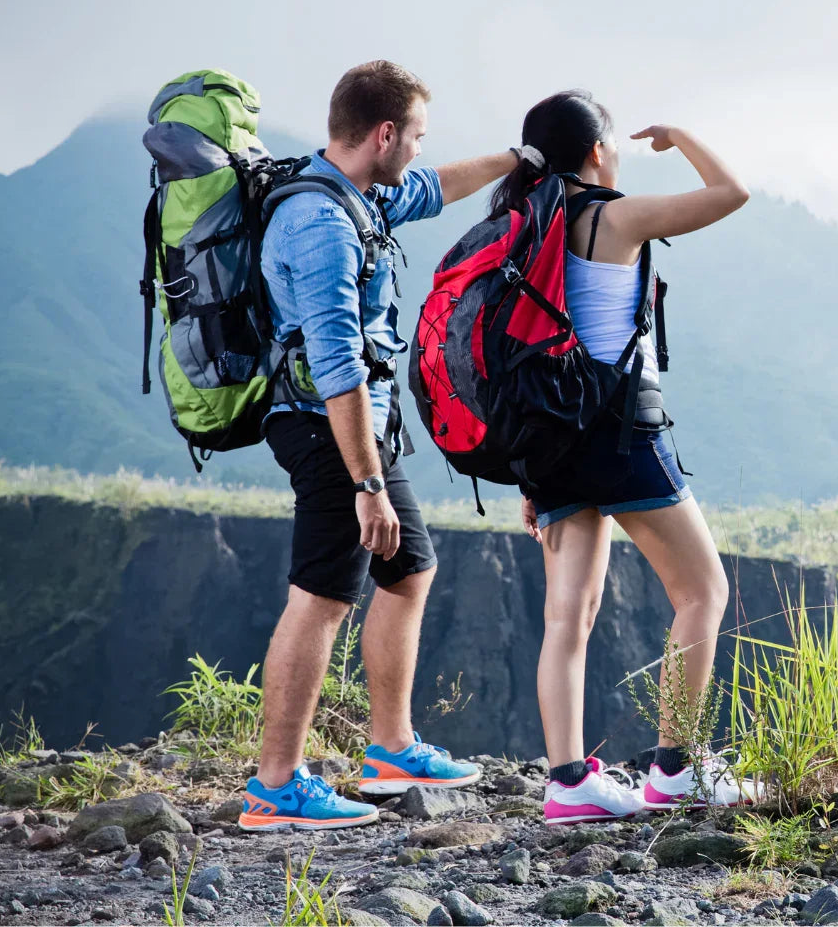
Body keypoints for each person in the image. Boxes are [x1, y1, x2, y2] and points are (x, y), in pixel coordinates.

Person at [239, 61, 520, 831]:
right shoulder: (322, 223)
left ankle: (391, 748)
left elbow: (434, 189)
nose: (422, 152)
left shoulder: (357, 194)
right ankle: (276, 787)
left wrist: (517, 162)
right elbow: (336, 359)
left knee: (409, 568)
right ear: (385, 134)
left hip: (357, 428)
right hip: (328, 426)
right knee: (324, 596)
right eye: (417, 136)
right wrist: (366, 483)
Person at [495, 90, 757, 824]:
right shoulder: (614, 215)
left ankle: (569, 784)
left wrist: (527, 469)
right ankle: (674, 768)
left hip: (549, 442)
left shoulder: (520, 227)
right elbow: (731, 193)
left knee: (564, 619)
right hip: (620, 437)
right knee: (702, 591)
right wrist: (682, 133)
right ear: (597, 154)